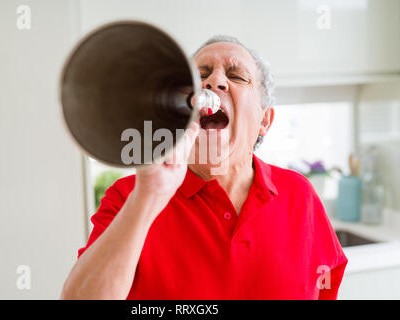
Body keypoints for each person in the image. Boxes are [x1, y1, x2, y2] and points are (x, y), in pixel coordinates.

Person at [60, 36, 348, 300]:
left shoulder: (300, 195)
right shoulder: (128, 197)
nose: (214, 82)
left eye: (236, 76)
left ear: (264, 120)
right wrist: (148, 196)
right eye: (200, 75)